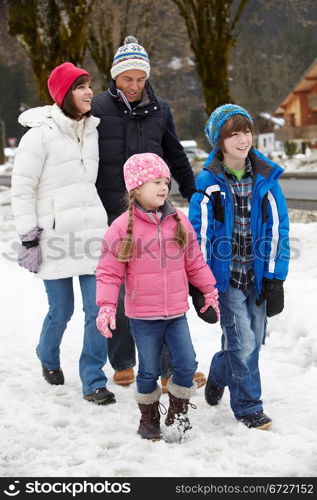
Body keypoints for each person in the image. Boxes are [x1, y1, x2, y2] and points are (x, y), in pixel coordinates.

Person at [92, 35, 206, 390]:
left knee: (165, 278)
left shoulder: (160, 108)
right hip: (114, 209)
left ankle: (172, 368)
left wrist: (194, 193)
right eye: (128, 79)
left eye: (141, 79)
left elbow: (175, 153)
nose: (135, 86)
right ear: (115, 78)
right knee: (124, 288)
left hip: (157, 207)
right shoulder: (98, 107)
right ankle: (124, 360)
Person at [95, 153, 219, 440]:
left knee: (187, 363)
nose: (164, 187)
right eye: (155, 182)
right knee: (149, 370)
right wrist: (106, 306)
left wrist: (209, 291)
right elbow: (109, 273)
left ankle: (178, 413)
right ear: (136, 188)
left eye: (165, 181)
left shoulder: (179, 221)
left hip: (176, 312)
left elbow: (194, 261)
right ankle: (148, 419)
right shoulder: (121, 228)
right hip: (143, 316)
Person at [11, 62, 114, 406]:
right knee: (61, 311)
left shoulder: (94, 130)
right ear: (63, 95)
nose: (89, 92)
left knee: (98, 310)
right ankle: (47, 354)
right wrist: (28, 237)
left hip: (91, 234)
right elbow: (22, 190)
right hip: (54, 238)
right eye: (80, 87)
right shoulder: (38, 136)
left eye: (89, 86)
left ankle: (93, 380)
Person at [189, 104, 290, 430]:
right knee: (243, 343)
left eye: (245, 131)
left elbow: (277, 230)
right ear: (219, 141)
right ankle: (249, 407)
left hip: (257, 278)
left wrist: (275, 280)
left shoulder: (266, 179)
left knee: (253, 340)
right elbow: (199, 237)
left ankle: (220, 373)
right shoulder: (208, 183)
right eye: (233, 134)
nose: (243, 139)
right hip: (226, 280)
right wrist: (199, 285)